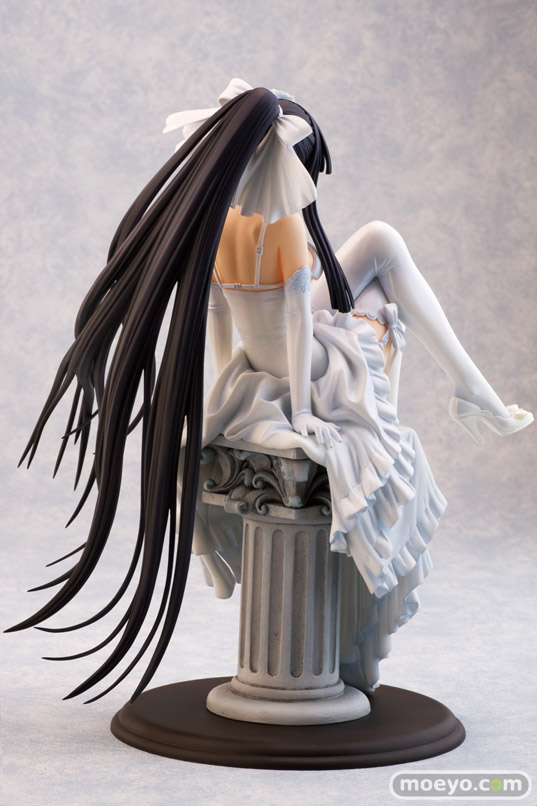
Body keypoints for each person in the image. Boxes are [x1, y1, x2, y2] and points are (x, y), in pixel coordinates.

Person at [7, 79, 532, 703]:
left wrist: (229, 384)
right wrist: (301, 409)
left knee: (374, 269)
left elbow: (218, 316)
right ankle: (469, 389)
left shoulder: (216, 225)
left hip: (260, 359)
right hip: (302, 360)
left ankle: (463, 392)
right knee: (383, 265)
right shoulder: (281, 229)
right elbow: (298, 321)